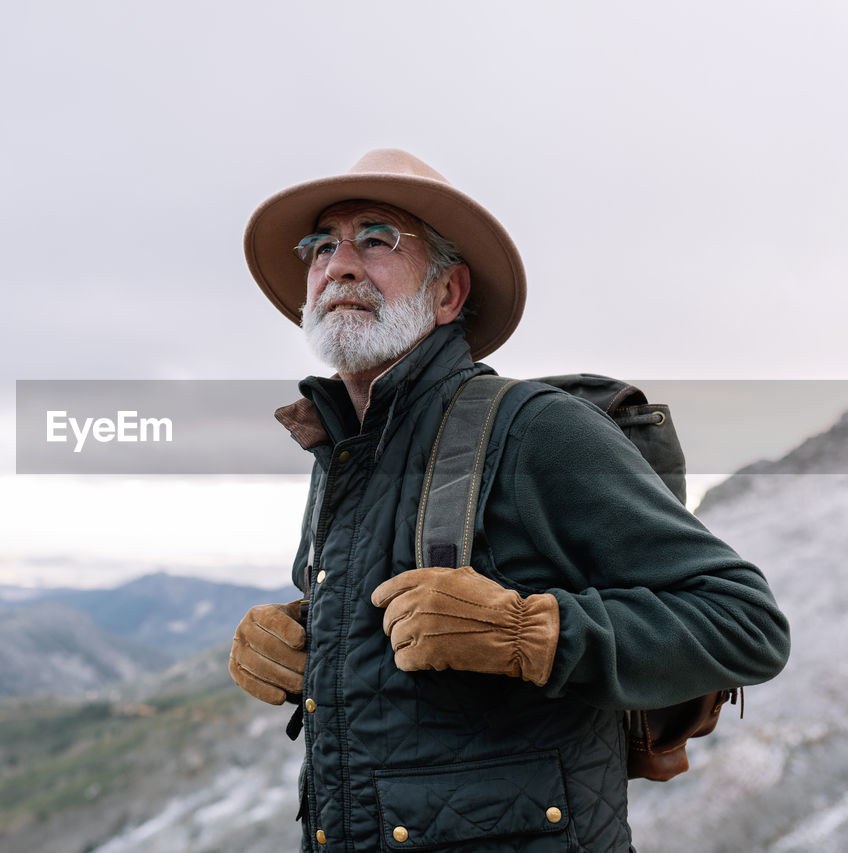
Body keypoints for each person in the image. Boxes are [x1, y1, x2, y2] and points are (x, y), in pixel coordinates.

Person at [227, 149, 790, 852]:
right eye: (320, 245)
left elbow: (746, 622)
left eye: (376, 238)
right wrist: (304, 636)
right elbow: (420, 632)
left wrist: (529, 633)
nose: (337, 263)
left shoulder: (536, 430)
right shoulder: (344, 453)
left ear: (447, 294)